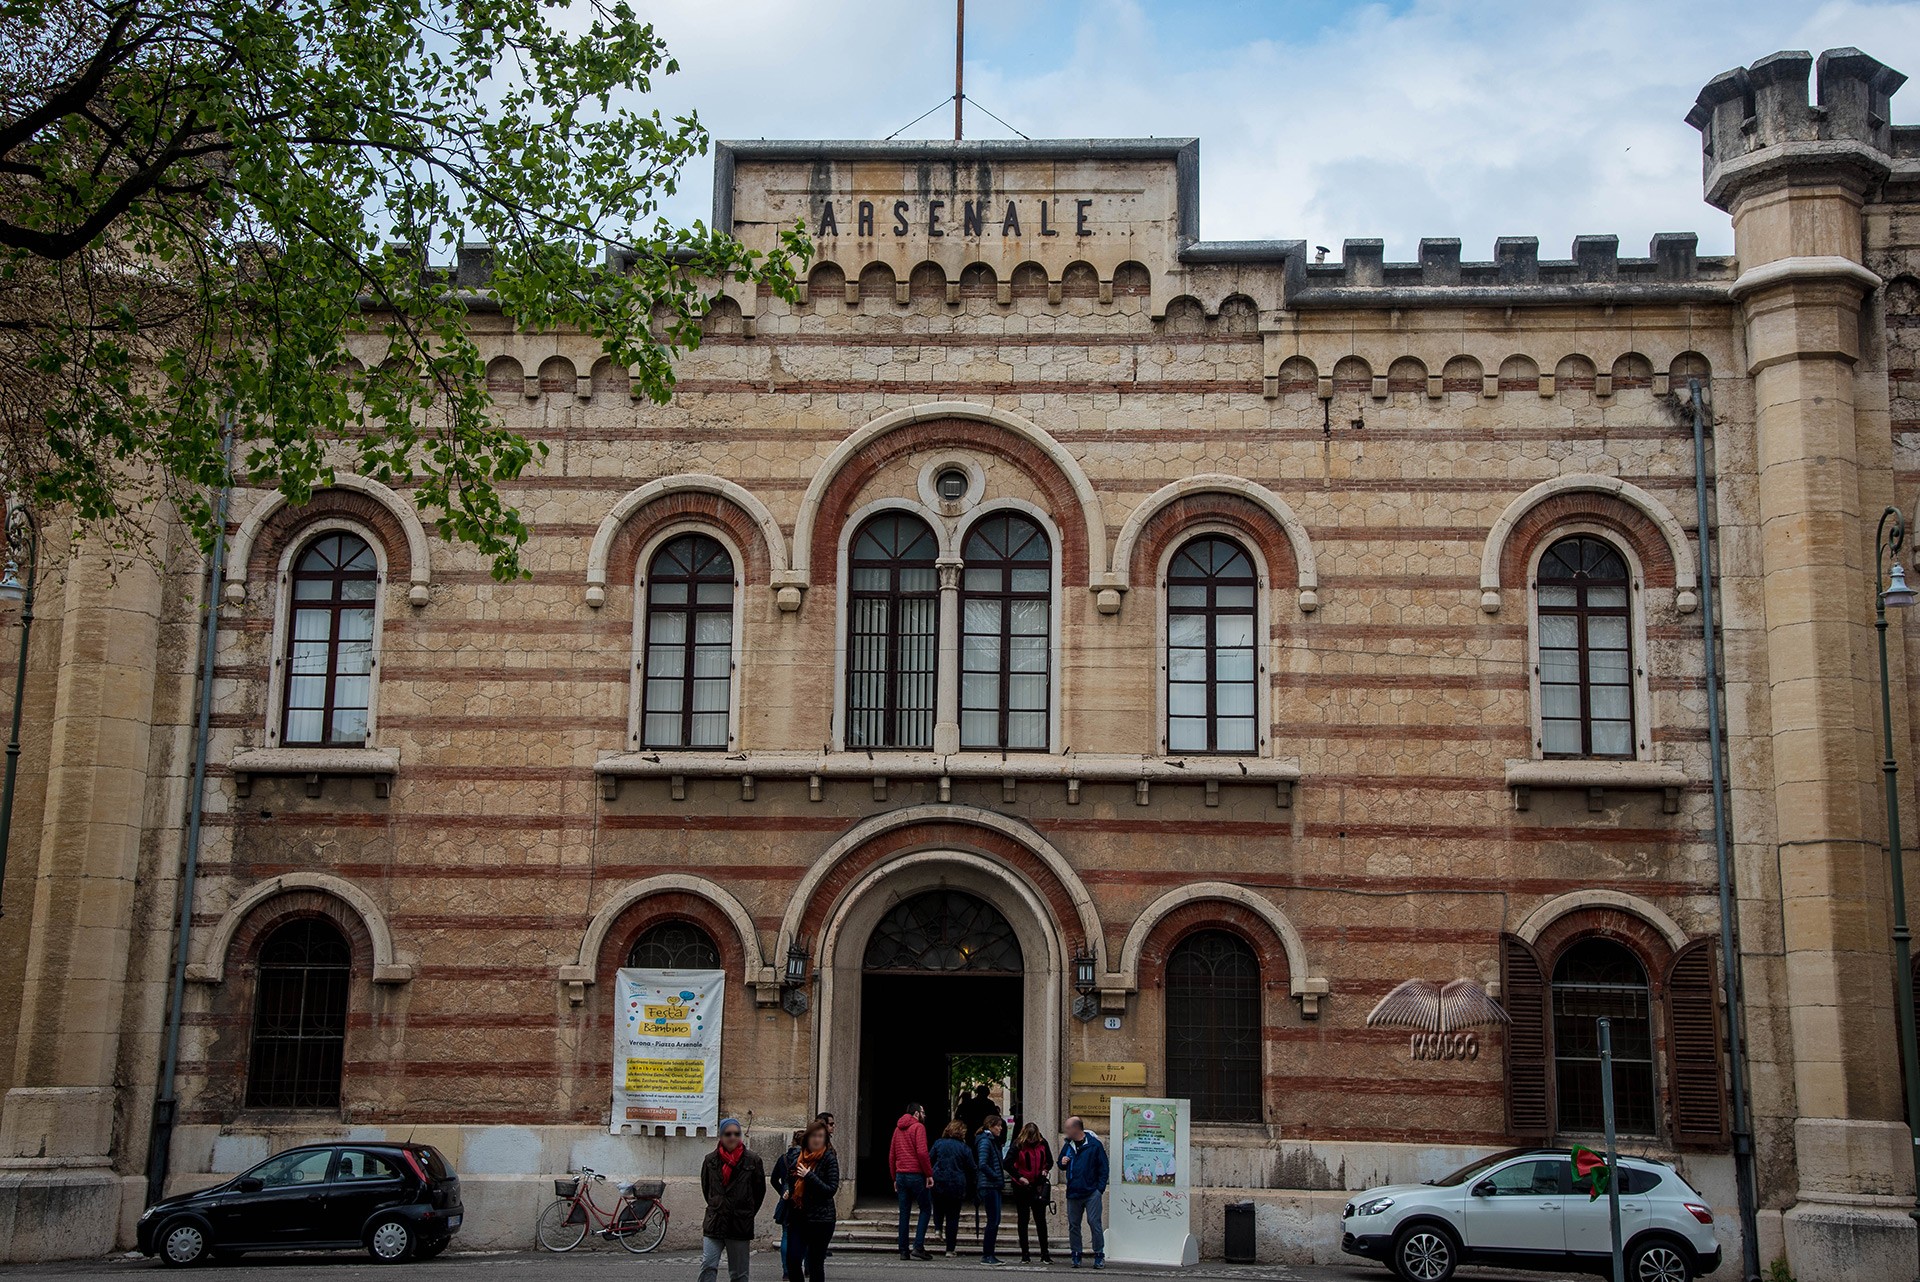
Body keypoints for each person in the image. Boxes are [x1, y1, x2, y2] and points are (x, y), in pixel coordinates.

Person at [699, 1118, 766, 1282]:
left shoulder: (753, 1160)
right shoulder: (710, 1160)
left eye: (736, 1134)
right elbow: (707, 1189)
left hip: (739, 1223)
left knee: (739, 1273)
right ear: (721, 1136)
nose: (732, 1138)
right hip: (715, 1221)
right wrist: (717, 1204)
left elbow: (759, 1192)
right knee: (708, 1264)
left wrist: (746, 1212)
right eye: (728, 1134)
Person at [787, 1120, 839, 1282]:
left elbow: (830, 1189)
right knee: (793, 1259)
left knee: (815, 1263)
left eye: (821, 1136)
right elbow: (790, 1182)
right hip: (799, 1217)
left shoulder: (829, 1159)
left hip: (821, 1219)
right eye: (814, 1136)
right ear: (808, 1138)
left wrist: (809, 1176)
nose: (817, 1140)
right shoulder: (798, 1157)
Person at [1058, 1115, 1109, 1270]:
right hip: (1073, 1191)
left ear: (1076, 1128)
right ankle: (1076, 1254)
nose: (1066, 1131)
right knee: (1074, 1225)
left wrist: (1099, 1189)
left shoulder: (1094, 1145)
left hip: (1091, 1191)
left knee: (1094, 1223)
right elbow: (1060, 1163)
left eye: (1068, 1128)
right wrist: (1063, 1162)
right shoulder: (1068, 1145)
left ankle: (1099, 1254)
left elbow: (1103, 1168)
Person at [888, 1102, 933, 1260]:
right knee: (926, 1208)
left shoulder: (897, 1129)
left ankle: (903, 1250)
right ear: (916, 1114)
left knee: (904, 1213)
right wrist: (929, 1174)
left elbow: (892, 1155)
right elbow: (922, 1152)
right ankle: (918, 1246)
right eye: (923, 1112)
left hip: (901, 1175)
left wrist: (894, 1177)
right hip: (916, 1174)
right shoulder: (918, 1127)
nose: (924, 1115)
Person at [928, 1120, 977, 1256]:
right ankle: (950, 1249)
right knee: (953, 1217)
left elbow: (929, 1158)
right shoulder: (964, 1148)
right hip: (957, 1183)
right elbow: (972, 1167)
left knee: (937, 1206)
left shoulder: (939, 1143)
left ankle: (938, 1228)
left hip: (939, 1179)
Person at [1008, 1121, 1053, 1264]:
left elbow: (1050, 1161)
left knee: (1040, 1220)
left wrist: (1045, 1170)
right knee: (1023, 1219)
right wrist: (1019, 1177)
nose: (1032, 1141)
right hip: (1021, 1186)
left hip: (1038, 1185)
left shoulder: (1043, 1143)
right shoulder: (1017, 1145)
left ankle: (1045, 1254)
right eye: (1030, 1138)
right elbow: (1007, 1163)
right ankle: (1025, 1254)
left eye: (1034, 1138)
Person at [769, 1128, 806, 1281]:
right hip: (802, 1201)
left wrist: (782, 1193)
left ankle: (786, 1270)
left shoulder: (783, 1158)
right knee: (803, 1236)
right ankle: (801, 1267)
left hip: (786, 1201)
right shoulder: (805, 1158)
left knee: (786, 1235)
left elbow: (773, 1179)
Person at [974, 1114, 1007, 1265]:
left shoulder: (991, 1141)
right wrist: (995, 1176)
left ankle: (989, 1254)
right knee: (993, 1220)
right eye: (998, 1125)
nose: (1000, 1128)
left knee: (995, 1220)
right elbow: (982, 1163)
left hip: (992, 1184)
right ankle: (987, 1254)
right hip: (989, 1185)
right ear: (990, 1126)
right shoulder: (986, 1142)